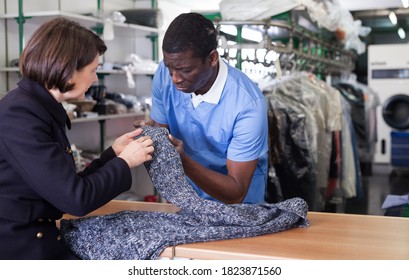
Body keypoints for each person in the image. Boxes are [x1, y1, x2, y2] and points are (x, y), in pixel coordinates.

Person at [0, 17, 154, 260]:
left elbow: (67, 186)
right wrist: (125, 162)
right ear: (67, 68)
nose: (95, 79)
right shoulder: (20, 115)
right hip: (19, 248)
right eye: (93, 70)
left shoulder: (38, 107)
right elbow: (75, 199)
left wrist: (112, 155)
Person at [146, 12, 268, 204]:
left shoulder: (248, 104)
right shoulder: (164, 74)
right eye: (170, 67)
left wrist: (182, 160)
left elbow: (236, 191)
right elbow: (162, 135)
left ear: (212, 59)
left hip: (238, 209)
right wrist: (149, 135)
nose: (175, 78)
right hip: (184, 199)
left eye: (186, 70)